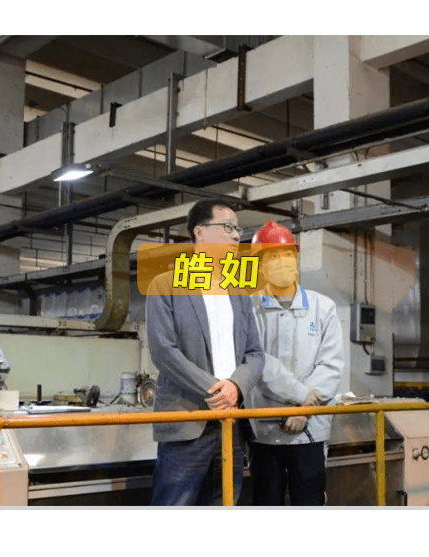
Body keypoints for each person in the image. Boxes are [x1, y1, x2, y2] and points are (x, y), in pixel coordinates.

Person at [145, 199, 264, 505]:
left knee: (224, 505)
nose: (235, 235)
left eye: (238, 230)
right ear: (200, 232)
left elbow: (255, 353)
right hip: (188, 421)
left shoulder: (239, 291)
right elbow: (164, 351)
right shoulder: (165, 284)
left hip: (230, 423)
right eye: (228, 227)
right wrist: (216, 390)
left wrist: (236, 386)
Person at [247, 221, 346, 506]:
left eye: (287, 254)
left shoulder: (323, 307)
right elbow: (256, 362)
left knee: (309, 501)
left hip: (310, 429)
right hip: (264, 430)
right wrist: (301, 397)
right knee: (267, 505)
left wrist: (304, 409)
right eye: (273, 256)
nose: (282, 262)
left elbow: (331, 366)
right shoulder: (249, 309)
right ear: (260, 265)